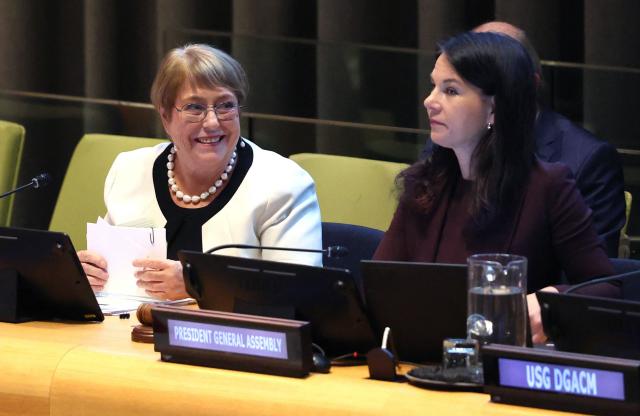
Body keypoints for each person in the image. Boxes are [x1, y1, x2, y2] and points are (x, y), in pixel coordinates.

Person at [374, 31, 617, 343]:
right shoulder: (424, 183)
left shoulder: (548, 186)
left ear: (494, 109)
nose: (429, 101)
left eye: (450, 90)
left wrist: (551, 300)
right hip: (423, 361)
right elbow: (380, 283)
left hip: (503, 368)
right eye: (433, 86)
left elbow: (606, 288)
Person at [78, 44, 322, 300]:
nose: (212, 122)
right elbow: (113, 274)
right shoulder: (129, 171)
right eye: (195, 108)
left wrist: (197, 286)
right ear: (165, 117)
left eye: (225, 105)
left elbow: (297, 292)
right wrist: (90, 273)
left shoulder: (282, 184)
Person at [474, 21, 626, 258]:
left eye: (489, 84)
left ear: (531, 85)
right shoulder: (448, 143)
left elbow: (591, 278)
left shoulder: (590, 160)